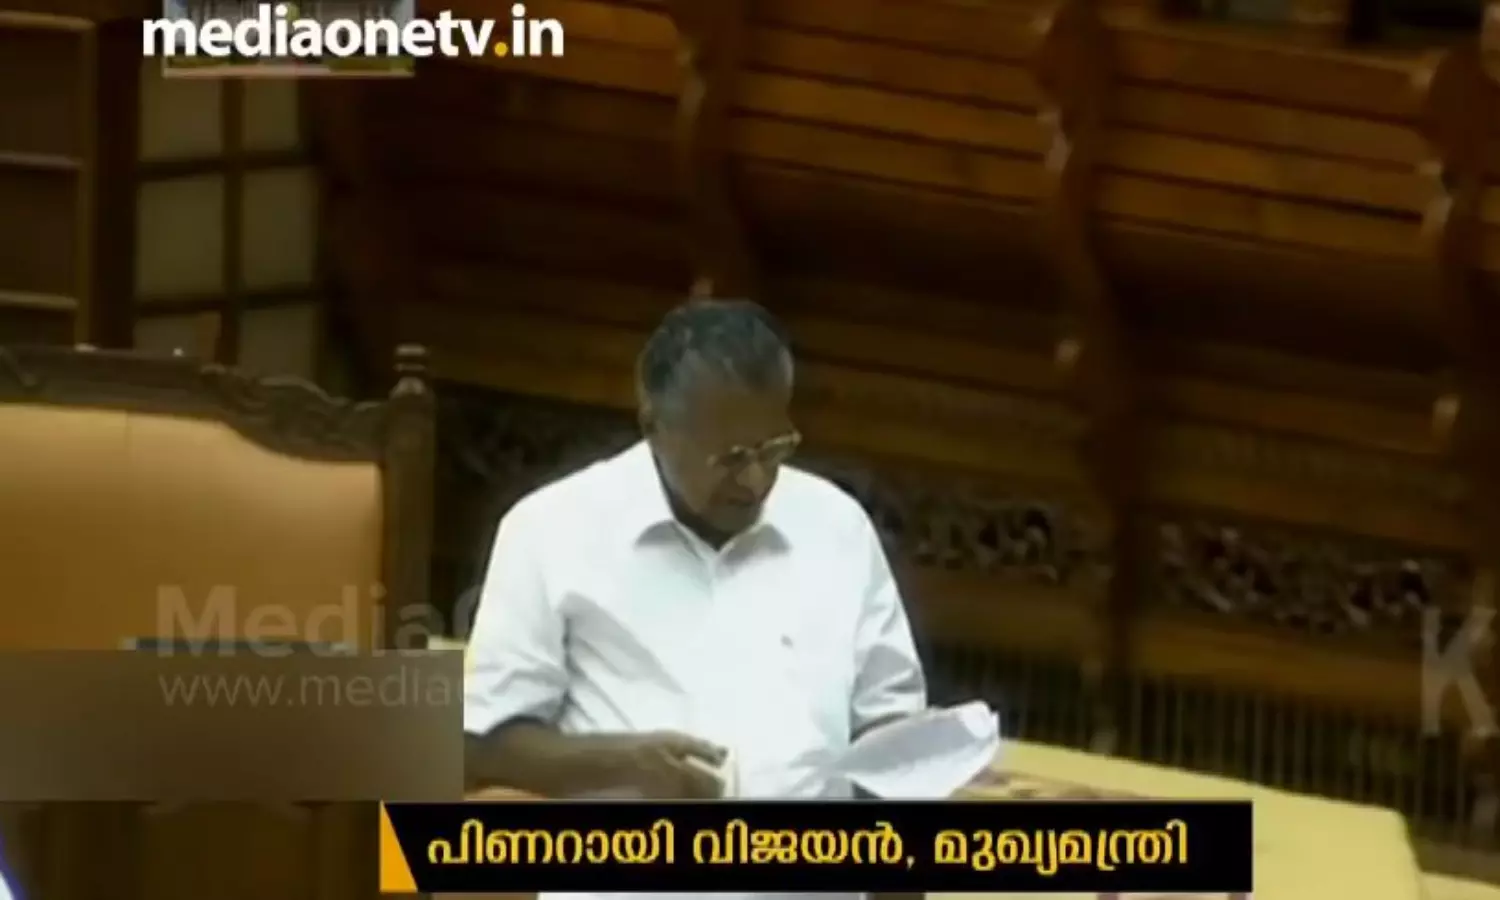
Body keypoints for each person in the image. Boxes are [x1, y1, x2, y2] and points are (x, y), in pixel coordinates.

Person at [463, 298, 927, 896]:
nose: (756, 481)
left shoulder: (837, 528)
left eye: (773, 449)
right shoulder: (550, 531)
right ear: (654, 428)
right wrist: (623, 764)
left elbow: (894, 729)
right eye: (730, 459)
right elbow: (482, 746)